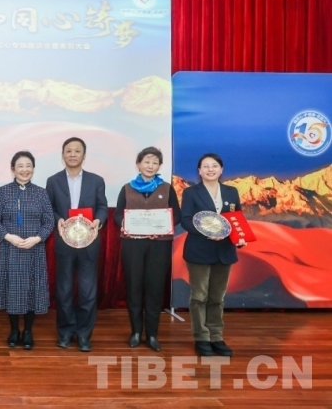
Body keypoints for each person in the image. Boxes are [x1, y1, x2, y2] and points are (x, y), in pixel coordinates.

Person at [113, 147, 181, 352]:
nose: (150, 166)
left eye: (155, 162)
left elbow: (176, 216)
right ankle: (135, 332)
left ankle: (152, 334)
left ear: (159, 166)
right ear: (138, 164)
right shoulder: (127, 188)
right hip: (132, 244)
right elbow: (118, 215)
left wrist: (159, 228)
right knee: (134, 288)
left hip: (159, 245)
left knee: (155, 289)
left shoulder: (167, 188)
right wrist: (127, 224)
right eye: (147, 162)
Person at [46, 137, 107, 352]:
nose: (73, 154)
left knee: (88, 292)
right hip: (64, 242)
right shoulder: (53, 181)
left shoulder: (96, 180)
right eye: (69, 151)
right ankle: (65, 332)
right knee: (64, 291)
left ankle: (84, 335)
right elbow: (49, 208)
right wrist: (57, 220)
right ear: (63, 155)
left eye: (77, 151)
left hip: (89, 243)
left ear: (84, 155)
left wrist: (99, 220)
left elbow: (102, 207)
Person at [181, 153, 244, 357]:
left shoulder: (231, 192)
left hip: (224, 251)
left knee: (217, 297)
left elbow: (237, 219)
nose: (210, 169)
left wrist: (240, 237)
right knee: (199, 296)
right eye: (206, 166)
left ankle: (216, 336)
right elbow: (186, 220)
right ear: (199, 171)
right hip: (199, 250)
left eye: (214, 165)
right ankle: (201, 337)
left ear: (221, 169)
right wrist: (208, 231)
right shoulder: (191, 192)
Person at [0, 151, 54, 350]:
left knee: (31, 290)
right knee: (12, 289)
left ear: (33, 169)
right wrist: (8, 236)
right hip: (10, 248)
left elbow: (49, 221)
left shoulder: (41, 193)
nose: (24, 170)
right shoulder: (3, 192)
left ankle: (28, 331)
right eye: (20, 166)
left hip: (34, 248)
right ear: (13, 169)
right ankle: (13, 329)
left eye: (28, 165)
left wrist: (37, 238)